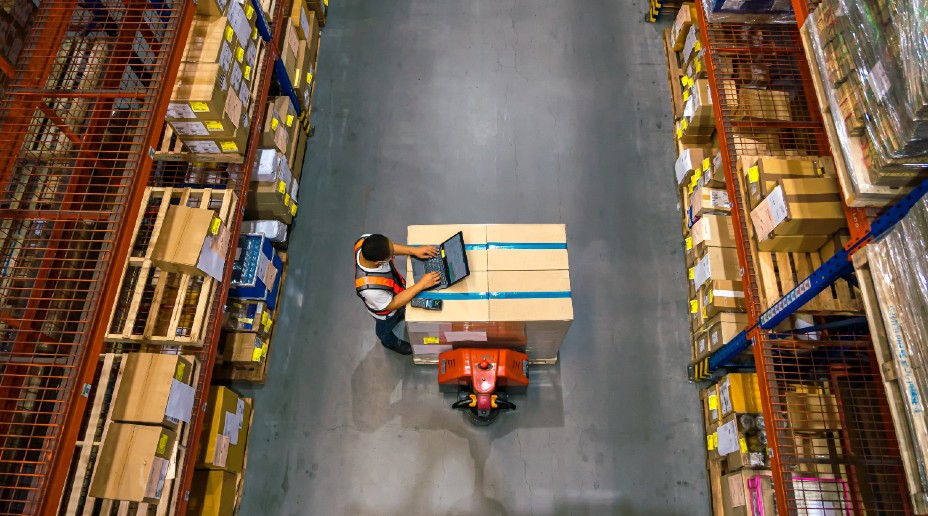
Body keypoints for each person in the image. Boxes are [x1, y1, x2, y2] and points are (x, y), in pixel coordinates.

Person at [354, 233, 441, 355]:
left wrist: (413, 250)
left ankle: (400, 316)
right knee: (384, 329)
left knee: (402, 312)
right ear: (377, 262)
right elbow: (392, 304)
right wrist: (422, 284)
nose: (393, 254)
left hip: (394, 291)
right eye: (390, 256)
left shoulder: (365, 241)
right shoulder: (370, 289)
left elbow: (389, 248)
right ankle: (390, 342)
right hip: (386, 313)